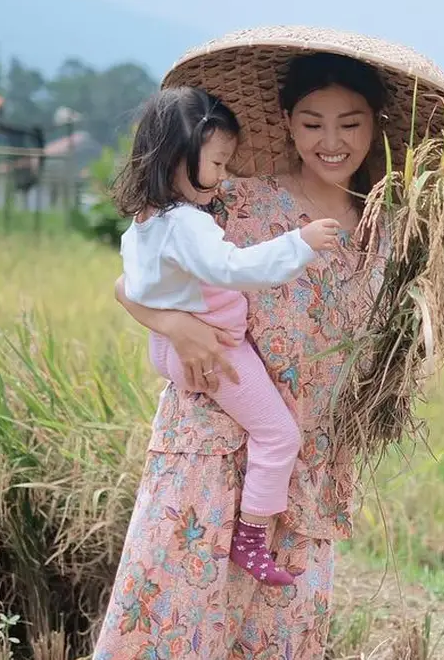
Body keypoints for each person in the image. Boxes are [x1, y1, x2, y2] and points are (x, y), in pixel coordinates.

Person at [91, 26, 444, 659]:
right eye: (312, 123)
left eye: (350, 124)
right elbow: (133, 281)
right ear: (287, 124)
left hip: (308, 466)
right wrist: (174, 327)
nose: (332, 142)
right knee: (176, 624)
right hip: (211, 442)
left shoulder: (397, 235)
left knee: (275, 636)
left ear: (376, 125)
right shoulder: (238, 203)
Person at [113, 85, 342, 587]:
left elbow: (128, 287)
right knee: (278, 435)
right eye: (216, 165)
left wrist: (172, 325)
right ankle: (252, 537)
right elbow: (235, 268)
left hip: (172, 344)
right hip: (217, 349)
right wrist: (299, 243)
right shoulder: (187, 225)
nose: (220, 178)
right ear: (176, 157)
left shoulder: (144, 221)